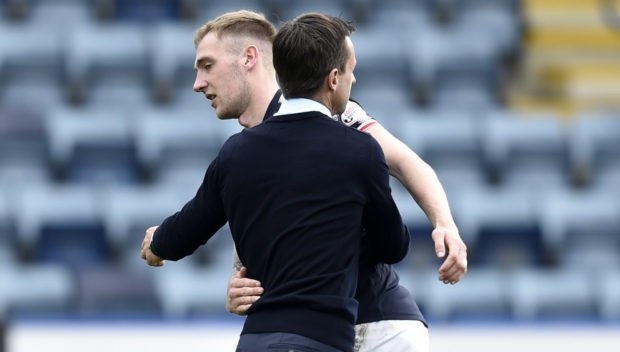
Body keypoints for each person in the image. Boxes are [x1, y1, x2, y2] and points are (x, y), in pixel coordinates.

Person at [186, 10, 467, 352]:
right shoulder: (255, 148)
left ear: (249, 58)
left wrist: (445, 223)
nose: (198, 82)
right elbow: (268, 220)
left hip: (372, 321)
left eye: (207, 65)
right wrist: (242, 279)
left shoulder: (335, 115)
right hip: (321, 330)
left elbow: (408, 163)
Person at [141, 11, 411, 352]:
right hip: (320, 339)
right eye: (349, 71)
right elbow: (394, 247)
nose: (352, 80)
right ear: (332, 79)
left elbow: (188, 229)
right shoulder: (359, 150)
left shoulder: (236, 152)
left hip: (256, 340)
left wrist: (157, 243)